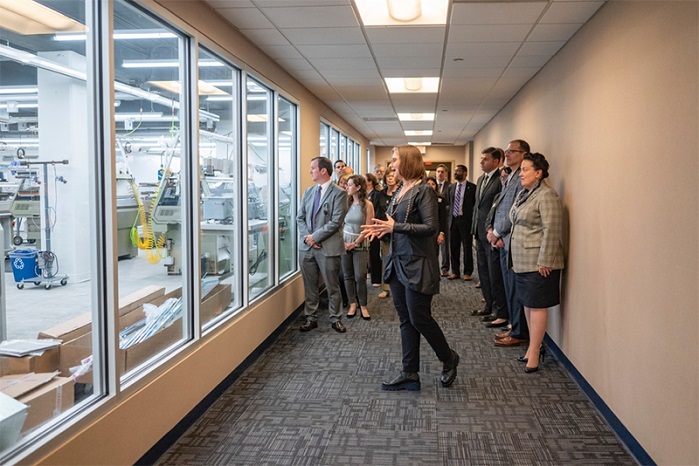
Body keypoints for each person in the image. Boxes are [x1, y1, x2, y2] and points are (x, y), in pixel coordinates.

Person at [363, 145, 459, 391]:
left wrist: (395, 228)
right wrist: (382, 229)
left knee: (420, 318)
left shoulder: (423, 191)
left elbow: (430, 228)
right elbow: (393, 223)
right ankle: (410, 372)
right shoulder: (398, 191)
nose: (391, 165)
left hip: (418, 263)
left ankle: (448, 358)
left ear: (407, 161)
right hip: (397, 262)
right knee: (406, 320)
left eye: (395, 160)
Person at [509, 153, 565, 372]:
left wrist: (546, 260)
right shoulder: (525, 194)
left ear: (538, 173)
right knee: (527, 304)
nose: (521, 173)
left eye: (525, 169)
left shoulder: (547, 195)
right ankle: (534, 346)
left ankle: (534, 351)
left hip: (539, 263)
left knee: (537, 305)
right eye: (521, 169)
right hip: (522, 260)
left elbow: (552, 229)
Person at [296, 156, 349, 333]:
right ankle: (311, 318)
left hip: (327, 247)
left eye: (313, 168)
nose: (310, 171)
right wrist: (307, 238)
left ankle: (336, 318)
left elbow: (336, 222)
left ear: (323, 171)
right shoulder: (309, 192)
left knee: (332, 285)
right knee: (310, 286)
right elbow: (300, 218)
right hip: (307, 248)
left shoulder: (339, 193)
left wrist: (315, 237)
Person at [487, 139, 529, 345]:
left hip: (511, 241)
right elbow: (501, 206)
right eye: (507, 151)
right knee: (508, 287)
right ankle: (514, 326)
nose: (508, 154)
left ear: (524, 154)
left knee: (514, 288)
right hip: (503, 239)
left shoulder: (522, 178)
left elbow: (513, 210)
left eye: (512, 151)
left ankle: (519, 332)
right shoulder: (510, 176)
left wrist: (496, 232)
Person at [471, 148, 508, 330]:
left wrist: (495, 232)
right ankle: (488, 305)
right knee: (483, 272)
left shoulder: (501, 179)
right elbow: (478, 208)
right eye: (481, 159)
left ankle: (499, 311)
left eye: (485, 159)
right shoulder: (480, 179)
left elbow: (501, 208)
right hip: (479, 232)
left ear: (497, 161)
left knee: (495, 275)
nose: (481, 162)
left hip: (493, 234)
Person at [342, 175, 374, 320]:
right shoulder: (346, 203)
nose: (347, 187)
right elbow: (341, 225)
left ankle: (363, 305)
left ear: (358, 187)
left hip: (360, 244)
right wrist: (344, 243)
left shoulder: (367, 205)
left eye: (349, 185)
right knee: (347, 275)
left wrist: (355, 243)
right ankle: (352, 304)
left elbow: (368, 227)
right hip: (344, 243)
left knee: (360, 276)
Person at [447, 165, 476, 281]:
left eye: (458, 171)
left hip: (466, 220)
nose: (456, 173)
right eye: (455, 171)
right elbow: (450, 203)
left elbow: (474, 206)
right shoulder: (451, 187)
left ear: (465, 173)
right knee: (454, 247)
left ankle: (468, 272)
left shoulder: (472, 188)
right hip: (453, 220)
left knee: (467, 247)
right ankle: (455, 271)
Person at [376, 170, 398, 299]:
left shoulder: (400, 192)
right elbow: (378, 212)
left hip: (398, 230)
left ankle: (399, 286)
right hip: (384, 232)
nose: (390, 178)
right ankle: (386, 288)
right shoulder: (381, 194)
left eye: (392, 176)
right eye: (388, 177)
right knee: (386, 259)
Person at [365, 173, 384, 287]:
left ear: (370, 182)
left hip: (374, 225)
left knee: (374, 252)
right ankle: (368, 271)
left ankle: (376, 278)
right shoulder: (362, 195)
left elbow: (378, 210)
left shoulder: (377, 194)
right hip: (363, 225)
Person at [435, 164, 451, 276]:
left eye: (442, 172)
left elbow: (451, 203)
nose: (440, 173)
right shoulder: (430, 185)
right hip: (432, 219)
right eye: (438, 171)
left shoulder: (450, 186)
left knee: (445, 244)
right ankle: (434, 266)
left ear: (445, 174)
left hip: (445, 218)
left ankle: (445, 267)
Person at [425, 176, 447, 252]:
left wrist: (441, 233)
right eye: (428, 184)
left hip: (435, 231)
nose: (430, 186)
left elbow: (443, 218)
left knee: (434, 254)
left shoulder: (440, 199)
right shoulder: (419, 198)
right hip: (423, 231)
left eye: (433, 184)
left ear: (436, 186)